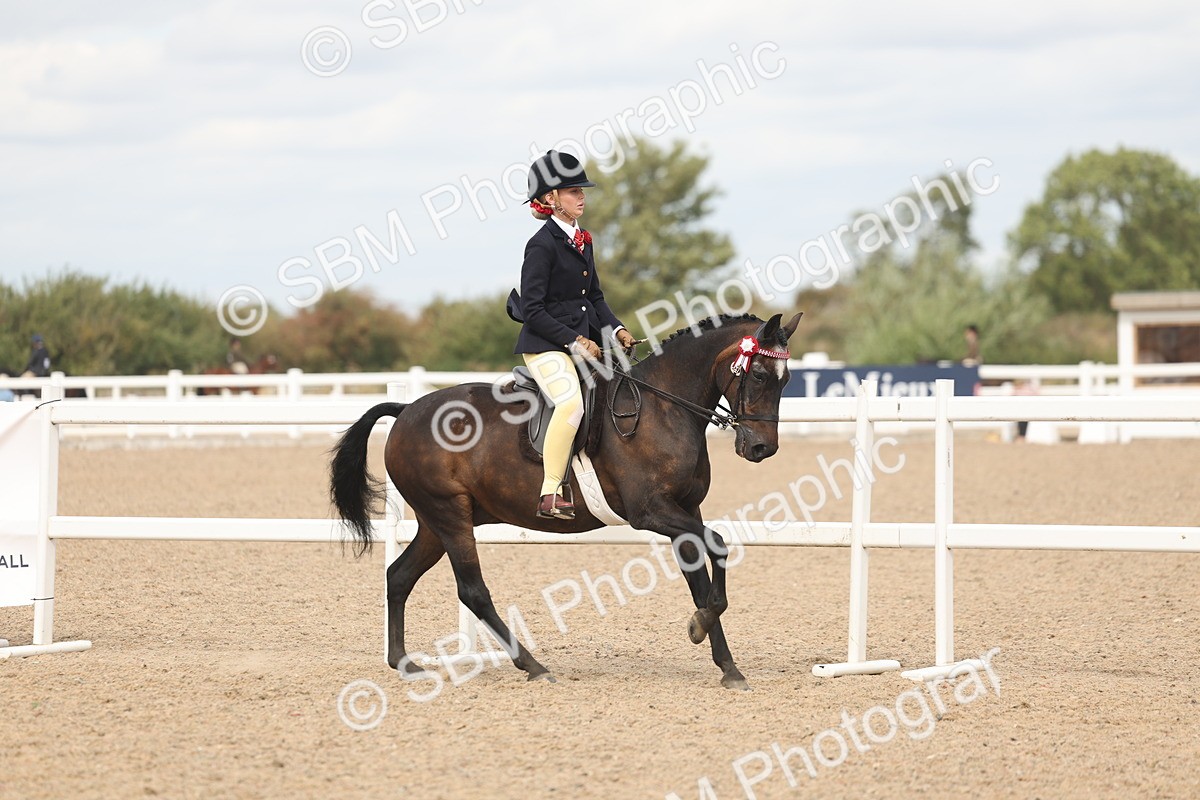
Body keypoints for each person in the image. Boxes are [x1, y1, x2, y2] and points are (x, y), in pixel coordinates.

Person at [514, 149, 637, 520]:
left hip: (583, 346)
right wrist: (574, 340)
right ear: (550, 198)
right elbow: (533, 310)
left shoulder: (583, 239)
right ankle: (550, 491)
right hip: (546, 348)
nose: (581, 196)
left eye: (582, 190)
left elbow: (593, 297)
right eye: (572, 191)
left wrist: (616, 328)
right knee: (571, 404)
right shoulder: (541, 244)